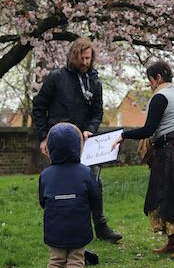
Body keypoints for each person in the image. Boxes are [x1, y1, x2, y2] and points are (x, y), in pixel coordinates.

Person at [32, 38, 122, 243]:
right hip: (59, 139)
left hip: (85, 141)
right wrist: (44, 137)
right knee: (63, 184)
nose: (85, 62)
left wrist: (90, 130)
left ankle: (100, 226)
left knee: (94, 182)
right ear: (73, 56)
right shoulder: (56, 78)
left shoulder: (95, 82)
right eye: (81, 57)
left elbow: (97, 112)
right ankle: (63, 229)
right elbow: (39, 107)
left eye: (88, 58)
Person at [112, 60, 174, 260]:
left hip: (169, 151)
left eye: (150, 80)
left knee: (167, 195)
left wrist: (124, 135)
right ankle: (173, 241)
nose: (149, 85)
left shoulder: (160, 96)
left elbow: (149, 129)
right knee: (169, 194)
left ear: (158, 78)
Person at [39, 122, 100, 268]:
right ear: (78, 146)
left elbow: (43, 201)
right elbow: (95, 198)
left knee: (56, 262)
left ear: (51, 148)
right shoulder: (85, 172)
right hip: (78, 227)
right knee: (76, 261)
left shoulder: (46, 175)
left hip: (54, 227)